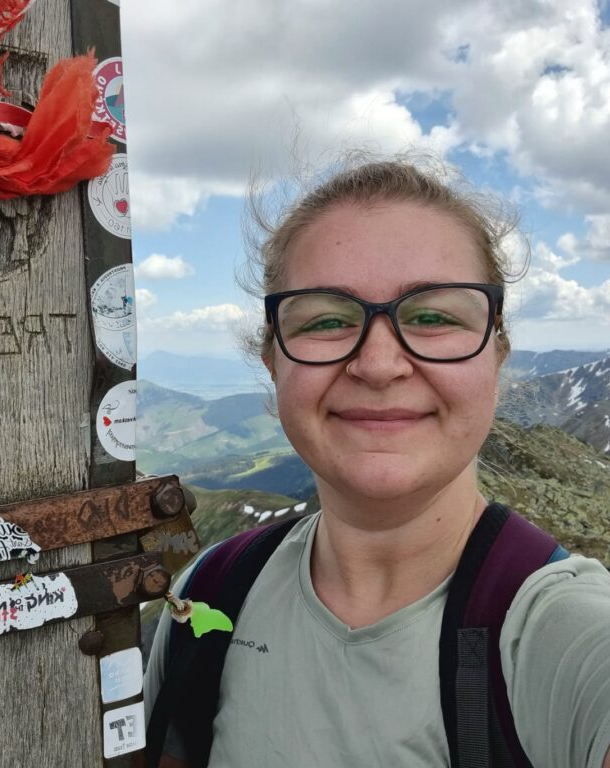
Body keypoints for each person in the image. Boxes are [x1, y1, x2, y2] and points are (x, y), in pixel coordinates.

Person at [142, 158, 610, 767]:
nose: (379, 363)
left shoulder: (566, 633)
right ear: (272, 361)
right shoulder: (209, 594)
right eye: (328, 320)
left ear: (497, 353)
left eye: (435, 316)